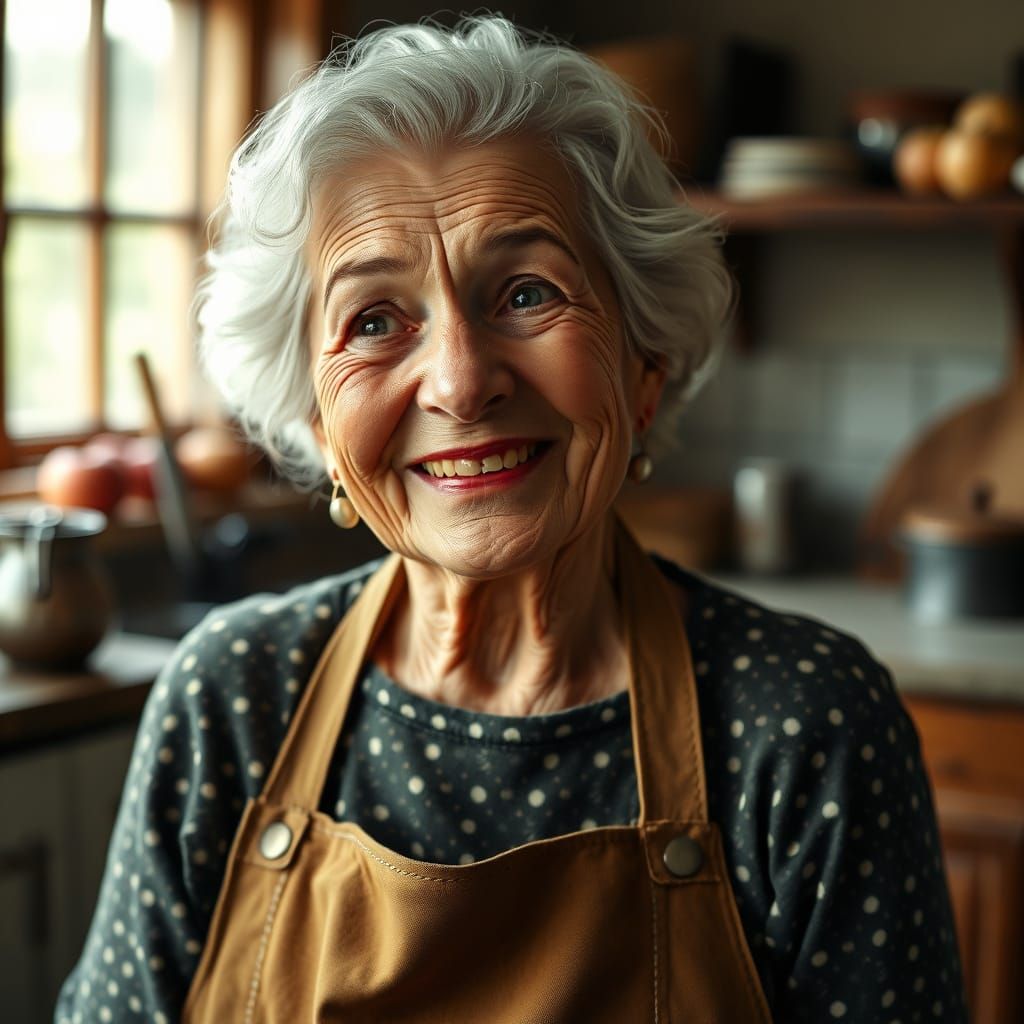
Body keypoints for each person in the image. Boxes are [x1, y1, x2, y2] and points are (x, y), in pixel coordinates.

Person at [57, 16, 966, 1023]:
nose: (459, 380)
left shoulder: (802, 727)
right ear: (319, 423)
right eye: (372, 320)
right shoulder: (232, 698)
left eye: (528, 292)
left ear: (644, 363)